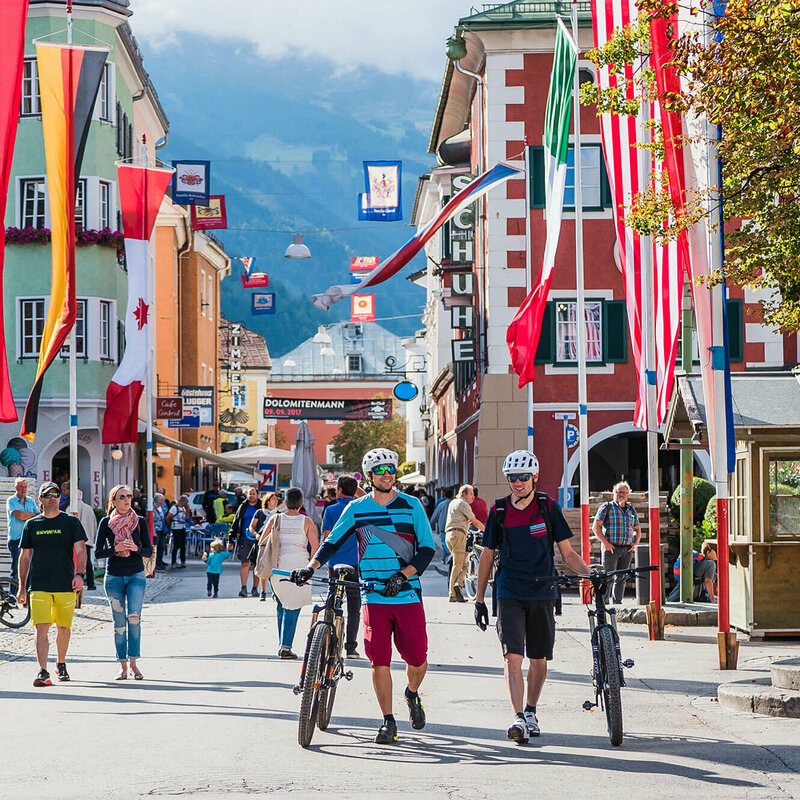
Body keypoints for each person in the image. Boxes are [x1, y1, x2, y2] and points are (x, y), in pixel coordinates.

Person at [293, 447, 435, 745]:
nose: (387, 475)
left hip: (407, 594)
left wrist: (403, 575)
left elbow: (426, 549)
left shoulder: (411, 505)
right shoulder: (357, 508)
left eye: (391, 469)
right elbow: (332, 542)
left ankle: (411, 693)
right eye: (380, 471)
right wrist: (310, 567)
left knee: (417, 658)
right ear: (369, 476)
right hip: (374, 595)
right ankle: (388, 721)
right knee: (379, 660)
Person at [473, 450, 590, 743]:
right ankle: (517, 718)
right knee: (513, 656)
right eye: (512, 478)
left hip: (542, 591)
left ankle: (531, 711)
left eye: (523, 477)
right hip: (509, 590)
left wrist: (589, 574)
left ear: (534, 476)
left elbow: (568, 553)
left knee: (538, 658)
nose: (518, 483)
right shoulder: (499, 510)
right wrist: (479, 599)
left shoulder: (548, 507)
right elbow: (487, 555)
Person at [17, 481, 87, 686]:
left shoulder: (70, 522)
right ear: (40, 499)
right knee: (41, 628)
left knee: (63, 627)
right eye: (48, 494)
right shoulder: (32, 524)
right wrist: (21, 587)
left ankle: (61, 663)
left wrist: (80, 574)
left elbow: (81, 549)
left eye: (56, 494)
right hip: (39, 585)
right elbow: (24, 556)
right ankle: (43, 671)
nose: (53, 498)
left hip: (65, 584)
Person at [94, 484, 153, 680]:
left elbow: (148, 551)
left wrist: (135, 548)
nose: (127, 500)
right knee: (119, 624)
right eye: (122, 497)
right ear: (113, 501)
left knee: (134, 618)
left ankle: (134, 663)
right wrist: (115, 549)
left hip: (136, 575)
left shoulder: (139, 521)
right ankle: (122, 666)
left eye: (129, 496)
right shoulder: (106, 522)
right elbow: (98, 552)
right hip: (114, 577)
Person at [260, 487, 319, 658]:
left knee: (281, 604)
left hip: (277, 565)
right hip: (299, 564)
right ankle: (285, 646)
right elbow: (315, 547)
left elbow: (262, 541)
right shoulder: (306, 521)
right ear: (301, 504)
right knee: (293, 605)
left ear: (285, 503)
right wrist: (311, 566)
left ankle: (283, 643)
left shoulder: (275, 519)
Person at [321, 475, 361, 658]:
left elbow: (327, 537)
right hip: (354, 562)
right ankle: (351, 647)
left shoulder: (330, 510)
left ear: (338, 490)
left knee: (332, 600)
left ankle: (327, 641)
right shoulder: (359, 508)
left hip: (334, 562)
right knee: (354, 605)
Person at [592, 481, 641, 604]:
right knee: (607, 577)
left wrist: (635, 543)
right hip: (611, 549)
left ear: (627, 495)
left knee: (621, 578)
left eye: (624, 492)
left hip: (627, 549)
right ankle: (603, 604)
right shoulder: (607, 507)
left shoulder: (631, 510)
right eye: (619, 492)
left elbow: (637, 529)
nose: (621, 494)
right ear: (614, 493)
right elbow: (596, 527)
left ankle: (617, 604)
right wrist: (606, 543)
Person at [444, 485, 485, 603]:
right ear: (464, 494)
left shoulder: (453, 502)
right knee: (458, 565)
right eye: (471, 494)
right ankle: (453, 593)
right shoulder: (463, 504)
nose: (473, 497)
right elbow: (475, 521)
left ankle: (458, 586)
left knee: (463, 564)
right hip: (458, 535)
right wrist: (486, 531)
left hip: (450, 535)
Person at [229, 486, 261, 597]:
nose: (251, 496)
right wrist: (231, 539)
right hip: (244, 539)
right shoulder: (243, 506)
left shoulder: (261, 507)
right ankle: (243, 588)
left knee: (256, 564)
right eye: (249, 494)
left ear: (257, 495)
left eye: (253, 493)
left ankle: (255, 588)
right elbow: (236, 522)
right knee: (245, 563)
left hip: (258, 539)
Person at [5, 477, 38, 583]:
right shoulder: (11, 500)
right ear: (16, 488)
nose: (23, 489)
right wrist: (32, 515)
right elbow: (19, 516)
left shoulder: (30, 501)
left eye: (25, 487)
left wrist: (26, 515)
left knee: (29, 569)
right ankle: (13, 593)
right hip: (16, 539)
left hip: (29, 539)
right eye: (21, 487)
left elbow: (39, 516)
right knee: (16, 570)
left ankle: (27, 592)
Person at [249, 492, 279, 600]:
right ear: (267, 501)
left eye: (276, 499)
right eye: (273, 499)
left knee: (274, 565)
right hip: (262, 541)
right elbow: (251, 527)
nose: (276, 501)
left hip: (274, 542)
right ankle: (263, 590)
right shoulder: (260, 512)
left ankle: (275, 590)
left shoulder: (279, 514)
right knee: (263, 565)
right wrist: (256, 534)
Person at [75, 490, 98, 590]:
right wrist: (93, 537)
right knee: (88, 561)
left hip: (76, 540)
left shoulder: (71, 508)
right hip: (88, 539)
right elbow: (94, 524)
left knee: (76, 560)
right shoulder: (89, 508)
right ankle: (91, 583)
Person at [429, 488, 453, 568]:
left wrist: (431, 524)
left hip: (443, 526)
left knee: (444, 542)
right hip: (452, 526)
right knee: (447, 542)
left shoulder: (441, 504)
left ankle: (449, 553)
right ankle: (443, 559)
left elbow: (435, 515)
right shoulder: (454, 504)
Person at [166, 495, 191, 568]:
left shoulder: (183, 508)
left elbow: (186, 518)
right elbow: (168, 518)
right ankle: (173, 562)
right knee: (176, 545)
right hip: (176, 528)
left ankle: (183, 561)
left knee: (183, 545)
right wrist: (170, 526)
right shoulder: (174, 508)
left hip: (182, 527)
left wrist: (188, 511)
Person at [152, 493, 170, 571]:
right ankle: (156, 563)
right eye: (161, 499)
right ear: (157, 500)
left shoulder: (161, 508)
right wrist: (153, 531)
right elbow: (151, 521)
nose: (163, 500)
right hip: (156, 530)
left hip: (161, 530)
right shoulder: (153, 509)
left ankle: (160, 561)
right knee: (156, 546)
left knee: (161, 546)